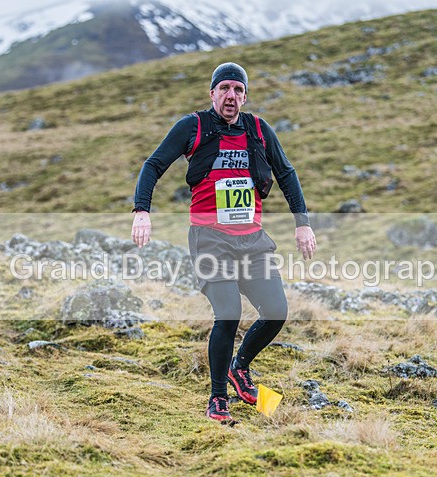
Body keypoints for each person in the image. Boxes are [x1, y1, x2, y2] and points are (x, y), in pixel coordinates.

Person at [131, 62, 316, 423]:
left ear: (245, 96)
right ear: (212, 92)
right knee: (228, 313)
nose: (231, 96)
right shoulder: (193, 127)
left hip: (252, 241)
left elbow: (287, 174)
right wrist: (142, 211)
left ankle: (239, 368)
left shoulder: (259, 130)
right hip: (210, 240)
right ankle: (217, 398)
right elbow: (152, 166)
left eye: (238, 90)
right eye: (225, 88)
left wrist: (302, 224)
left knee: (276, 311)